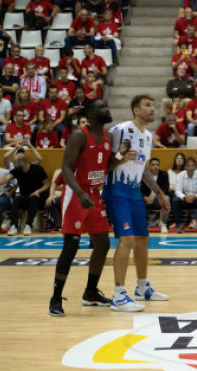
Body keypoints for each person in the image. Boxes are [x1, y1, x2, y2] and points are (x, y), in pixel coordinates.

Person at [103, 94, 170, 312]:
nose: (152, 109)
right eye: (148, 106)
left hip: (134, 192)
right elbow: (105, 165)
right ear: (136, 110)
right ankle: (119, 295)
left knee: (142, 238)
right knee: (127, 238)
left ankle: (142, 287)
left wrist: (159, 193)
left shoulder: (149, 136)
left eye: (153, 105)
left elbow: (143, 170)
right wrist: (122, 157)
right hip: (116, 190)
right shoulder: (118, 131)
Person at [48, 100, 115, 316]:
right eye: (102, 107)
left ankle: (90, 292)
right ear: (91, 113)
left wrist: (122, 155)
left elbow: (106, 167)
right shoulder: (79, 135)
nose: (107, 109)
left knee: (103, 245)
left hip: (95, 195)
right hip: (76, 195)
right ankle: (56, 299)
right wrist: (79, 192)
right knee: (71, 247)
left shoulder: (107, 137)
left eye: (107, 106)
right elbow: (66, 168)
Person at [0, 146, 49, 237]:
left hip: (39, 198)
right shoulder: (17, 170)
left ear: (21, 162)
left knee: (34, 198)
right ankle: (13, 226)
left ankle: (28, 226)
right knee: (17, 199)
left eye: (15, 162)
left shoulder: (38, 169)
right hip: (26, 197)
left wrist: (38, 191)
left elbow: (47, 184)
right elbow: (6, 178)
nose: (13, 163)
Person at [172, 156, 197, 233]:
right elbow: (177, 191)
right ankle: (180, 226)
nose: (190, 168)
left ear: (196, 166)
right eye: (188, 165)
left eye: (192, 166)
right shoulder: (180, 175)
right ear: (185, 166)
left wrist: (195, 196)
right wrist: (185, 197)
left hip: (196, 199)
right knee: (175, 200)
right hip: (185, 199)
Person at [141, 158, 170, 228]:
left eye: (157, 165)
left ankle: (163, 223)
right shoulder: (143, 175)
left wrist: (156, 197)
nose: (155, 166)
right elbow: (139, 190)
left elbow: (165, 189)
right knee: (136, 199)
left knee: (167, 198)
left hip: (158, 198)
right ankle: (141, 223)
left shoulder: (164, 174)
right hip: (146, 198)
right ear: (149, 166)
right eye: (153, 165)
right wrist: (145, 198)